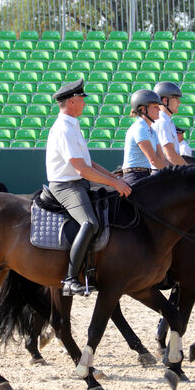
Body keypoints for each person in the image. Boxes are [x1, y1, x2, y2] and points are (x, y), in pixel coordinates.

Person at [46, 78, 132, 296]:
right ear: (72, 101)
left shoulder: (73, 126)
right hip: (66, 186)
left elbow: (90, 163)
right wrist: (114, 183)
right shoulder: (64, 129)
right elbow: (81, 170)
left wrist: (114, 178)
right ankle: (69, 278)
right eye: (82, 99)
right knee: (89, 222)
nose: (85, 103)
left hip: (79, 183)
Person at [121, 89, 170, 185]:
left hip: (145, 174)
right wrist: (176, 173)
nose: (159, 109)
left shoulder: (152, 130)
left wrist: (176, 171)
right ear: (143, 109)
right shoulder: (140, 128)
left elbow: (161, 159)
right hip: (134, 176)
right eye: (155, 107)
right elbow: (154, 160)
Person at [151, 81, 187, 167]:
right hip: (162, 172)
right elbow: (170, 155)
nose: (179, 102)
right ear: (165, 100)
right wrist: (191, 170)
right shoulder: (162, 122)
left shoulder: (167, 121)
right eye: (177, 99)